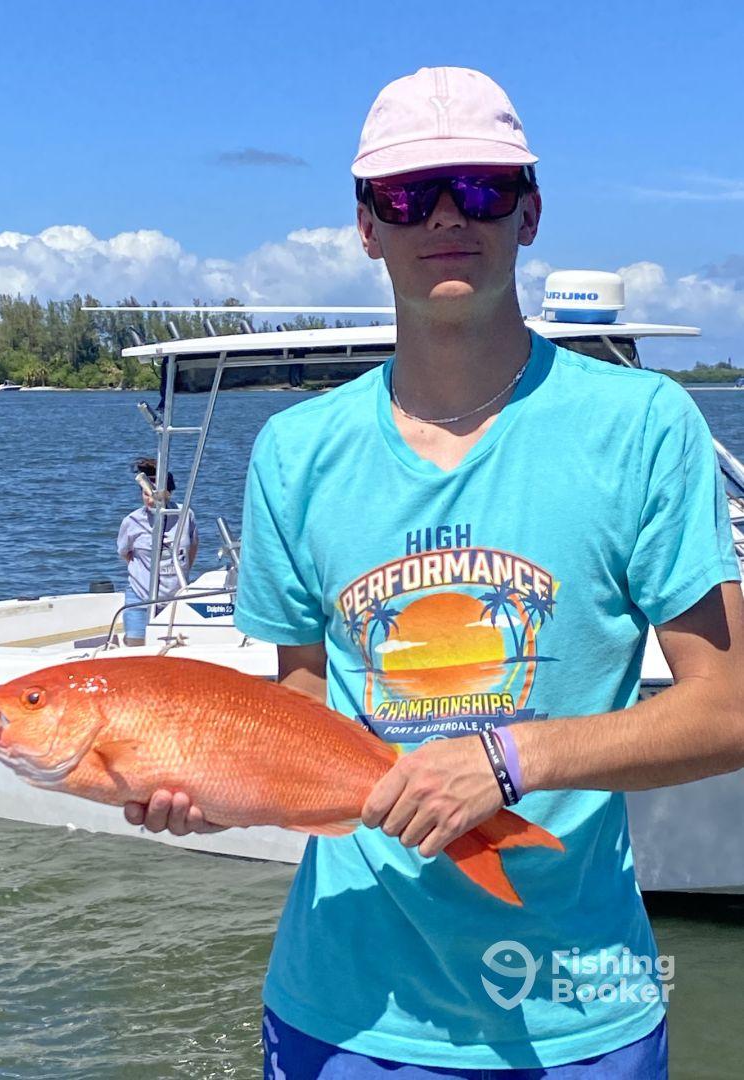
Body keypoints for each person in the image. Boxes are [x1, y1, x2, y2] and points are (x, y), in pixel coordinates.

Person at [125, 67, 743, 1076]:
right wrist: (211, 783)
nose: (448, 216)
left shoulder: (643, 426)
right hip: (343, 1010)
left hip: (579, 1012)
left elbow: (730, 710)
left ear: (531, 210)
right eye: (410, 195)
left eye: (483, 188)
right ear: (366, 225)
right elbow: (302, 700)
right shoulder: (295, 451)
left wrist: (510, 761)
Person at [116, 456, 199, 646]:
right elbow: (125, 553)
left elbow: (192, 547)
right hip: (141, 597)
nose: (150, 499)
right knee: (136, 649)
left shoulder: (185, 515)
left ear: (168, 493)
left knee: (176, 649)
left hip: (175, 598)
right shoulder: (132, 521)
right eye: (145, 494)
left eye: (155, 494)